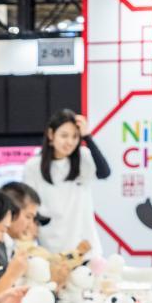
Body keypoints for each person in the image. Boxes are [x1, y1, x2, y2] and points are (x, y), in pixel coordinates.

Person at [22, 109, 111, 256]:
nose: (69, 142)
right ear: (51, 134)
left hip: (85, 246)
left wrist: (87, 137)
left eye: (75, 136)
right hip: (51, 246)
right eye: (64, 135)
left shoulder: (83, 157)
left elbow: (104, 172)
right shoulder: (33, 166)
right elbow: (29, 204)